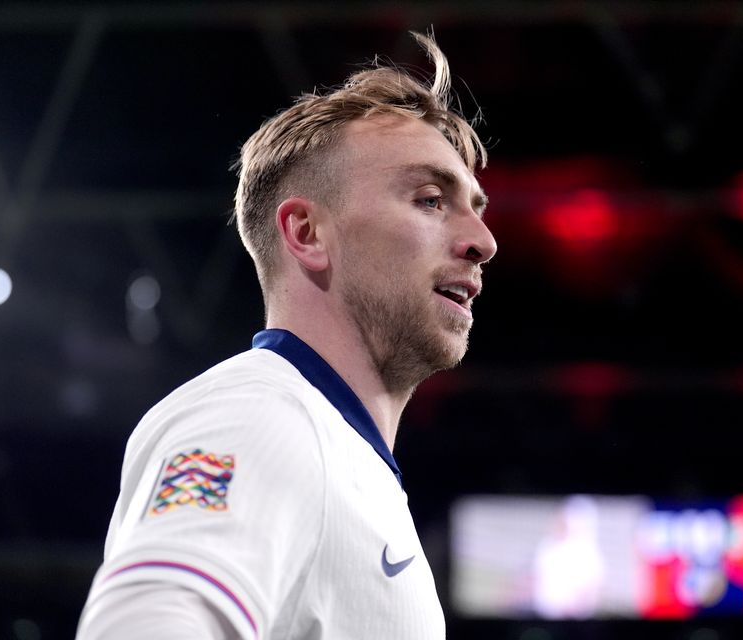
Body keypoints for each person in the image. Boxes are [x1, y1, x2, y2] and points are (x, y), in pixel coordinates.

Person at [76, 31, 496, 640]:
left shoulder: (338, 453)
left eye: (476, 208)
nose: (483, 241)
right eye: (431, 199)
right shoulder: (259, 414)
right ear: (306, 232)